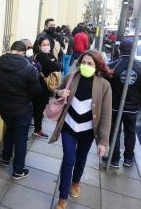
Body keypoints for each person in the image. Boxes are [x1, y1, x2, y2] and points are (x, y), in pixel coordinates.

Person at [50, 50, 112, 209]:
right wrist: (59, 92)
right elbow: (56, 91)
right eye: (83, 62)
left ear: (97, 66)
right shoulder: (71, 77)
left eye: (90, 63)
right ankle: (62, 198)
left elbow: (106, 114)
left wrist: (103, 141)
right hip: (68, 127)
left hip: (88, 131)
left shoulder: (104, 86)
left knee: (81, 158)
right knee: (69, 159)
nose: (85, 66)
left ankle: (76, 182)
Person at [0, 41, 41, 179]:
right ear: (23, 53)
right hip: (22, 108)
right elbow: (37, 91)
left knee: (10, 129)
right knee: (21, 138)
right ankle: (18, 170)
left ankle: (5, 158)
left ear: (11, 50)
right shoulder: (28, 68)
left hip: (3, 107)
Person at [104, 39, 141, 168]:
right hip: (132, 108)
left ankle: (114, 159)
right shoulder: (139, 66)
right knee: (130, 133)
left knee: (114, 132)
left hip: (115, 106)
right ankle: (128, 158)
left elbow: (105, 86)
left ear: (120, 49)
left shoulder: (113, 65)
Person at [32, 37, 61, 138]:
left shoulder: (46, 55)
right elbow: (56, 67)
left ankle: (35, 124)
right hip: (42, 86)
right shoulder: (41, 56)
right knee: (39, 108)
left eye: (48, 44)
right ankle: (37, 129)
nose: (46, 46)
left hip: (42, 85)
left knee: (37, 107)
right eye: (44, 45)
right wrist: (54, 62)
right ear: (39, 46)